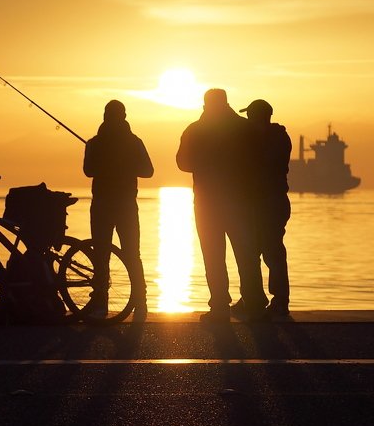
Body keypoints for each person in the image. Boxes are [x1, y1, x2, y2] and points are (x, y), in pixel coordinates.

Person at [176, 88, 267, 322]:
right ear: (226, 102)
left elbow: (182, 162)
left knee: (213, 255)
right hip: (241, 202)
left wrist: (204, 162)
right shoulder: (245, 129)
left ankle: (219, 306)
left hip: (207, 202)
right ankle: (255, 304)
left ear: (205, 104)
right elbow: (260, 160)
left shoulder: (195, 130)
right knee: (247, 254)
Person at [83, 100, 154, 322]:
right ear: (124, 116)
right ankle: (140, 304)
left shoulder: (94, 143)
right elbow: (148, 171)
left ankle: (102, 304)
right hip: (124, 205)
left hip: (105, 204)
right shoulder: (134, 142)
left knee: (101, 254)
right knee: (132, 254)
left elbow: (88, 171)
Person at [238, 99, 292, 320]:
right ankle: (254, 298)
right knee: (257, 252)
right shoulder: (280, 137)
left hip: (264, 203)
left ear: (254, 116)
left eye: (250, 116)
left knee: (267, 253)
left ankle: (277, 301)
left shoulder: (261, 140)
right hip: (273, 202)